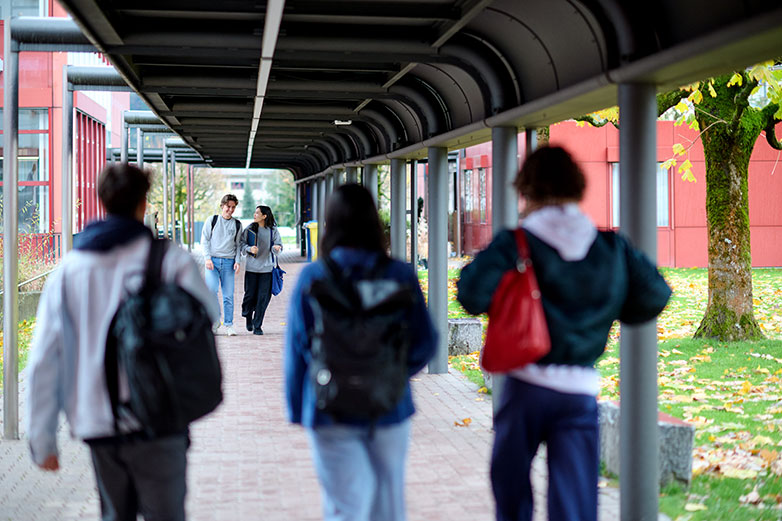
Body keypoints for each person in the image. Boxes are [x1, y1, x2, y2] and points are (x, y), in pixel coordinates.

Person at [457, 146, 672, 521]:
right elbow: (655, 295)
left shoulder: (515, 243)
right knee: (574, 502)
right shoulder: (611, 246)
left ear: (527, 189)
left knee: (510, 489)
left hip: (523, 385)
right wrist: (606, 312)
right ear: (577, 186)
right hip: (579, 392)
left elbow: (471, 295)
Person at [26, 163, 218, 521]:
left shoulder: (69, 269)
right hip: (160, 416)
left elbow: (44, 359)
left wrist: (42, 438)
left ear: (101, 201)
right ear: (144, 204)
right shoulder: (169, 259)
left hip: (97, 420)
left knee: (115, 514)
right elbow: (209, 314)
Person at [285, 184, 438, 521]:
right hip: (389, 407)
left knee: (345, 508)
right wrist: (390, 372)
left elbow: (298, 349)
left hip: (328, 407)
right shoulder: (399, 274)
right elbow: (426, 342)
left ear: (330, 223)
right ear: (374, 221)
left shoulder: (314, 276)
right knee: (388, 505)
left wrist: (298, 408)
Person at [201, 194, 242, 336]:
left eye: (233, 207)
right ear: (222, 206)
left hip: (229, 263)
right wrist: (207, 258)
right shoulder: (212, 220)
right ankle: (215, 320)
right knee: (211, 292)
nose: (230, 210)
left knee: (228, 296)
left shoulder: (237, 225)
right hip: (212, 262)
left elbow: (238, 246)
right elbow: (205, 240)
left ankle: (229, 324)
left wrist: (237, 261)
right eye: (228, 207)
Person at [240, 205, 283, 335]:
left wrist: (277, 248)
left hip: (267, 269)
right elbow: (241, 245)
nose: (255, 214)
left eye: (258, 213)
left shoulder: (273, 230)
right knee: (249, 296)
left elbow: (279, 245)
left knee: (263, 298)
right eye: (255, 212)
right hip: (252, 269)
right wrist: (249, 249)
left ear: (264, 216)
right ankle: (248, 316)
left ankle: (257, 324)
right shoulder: (249, 229)